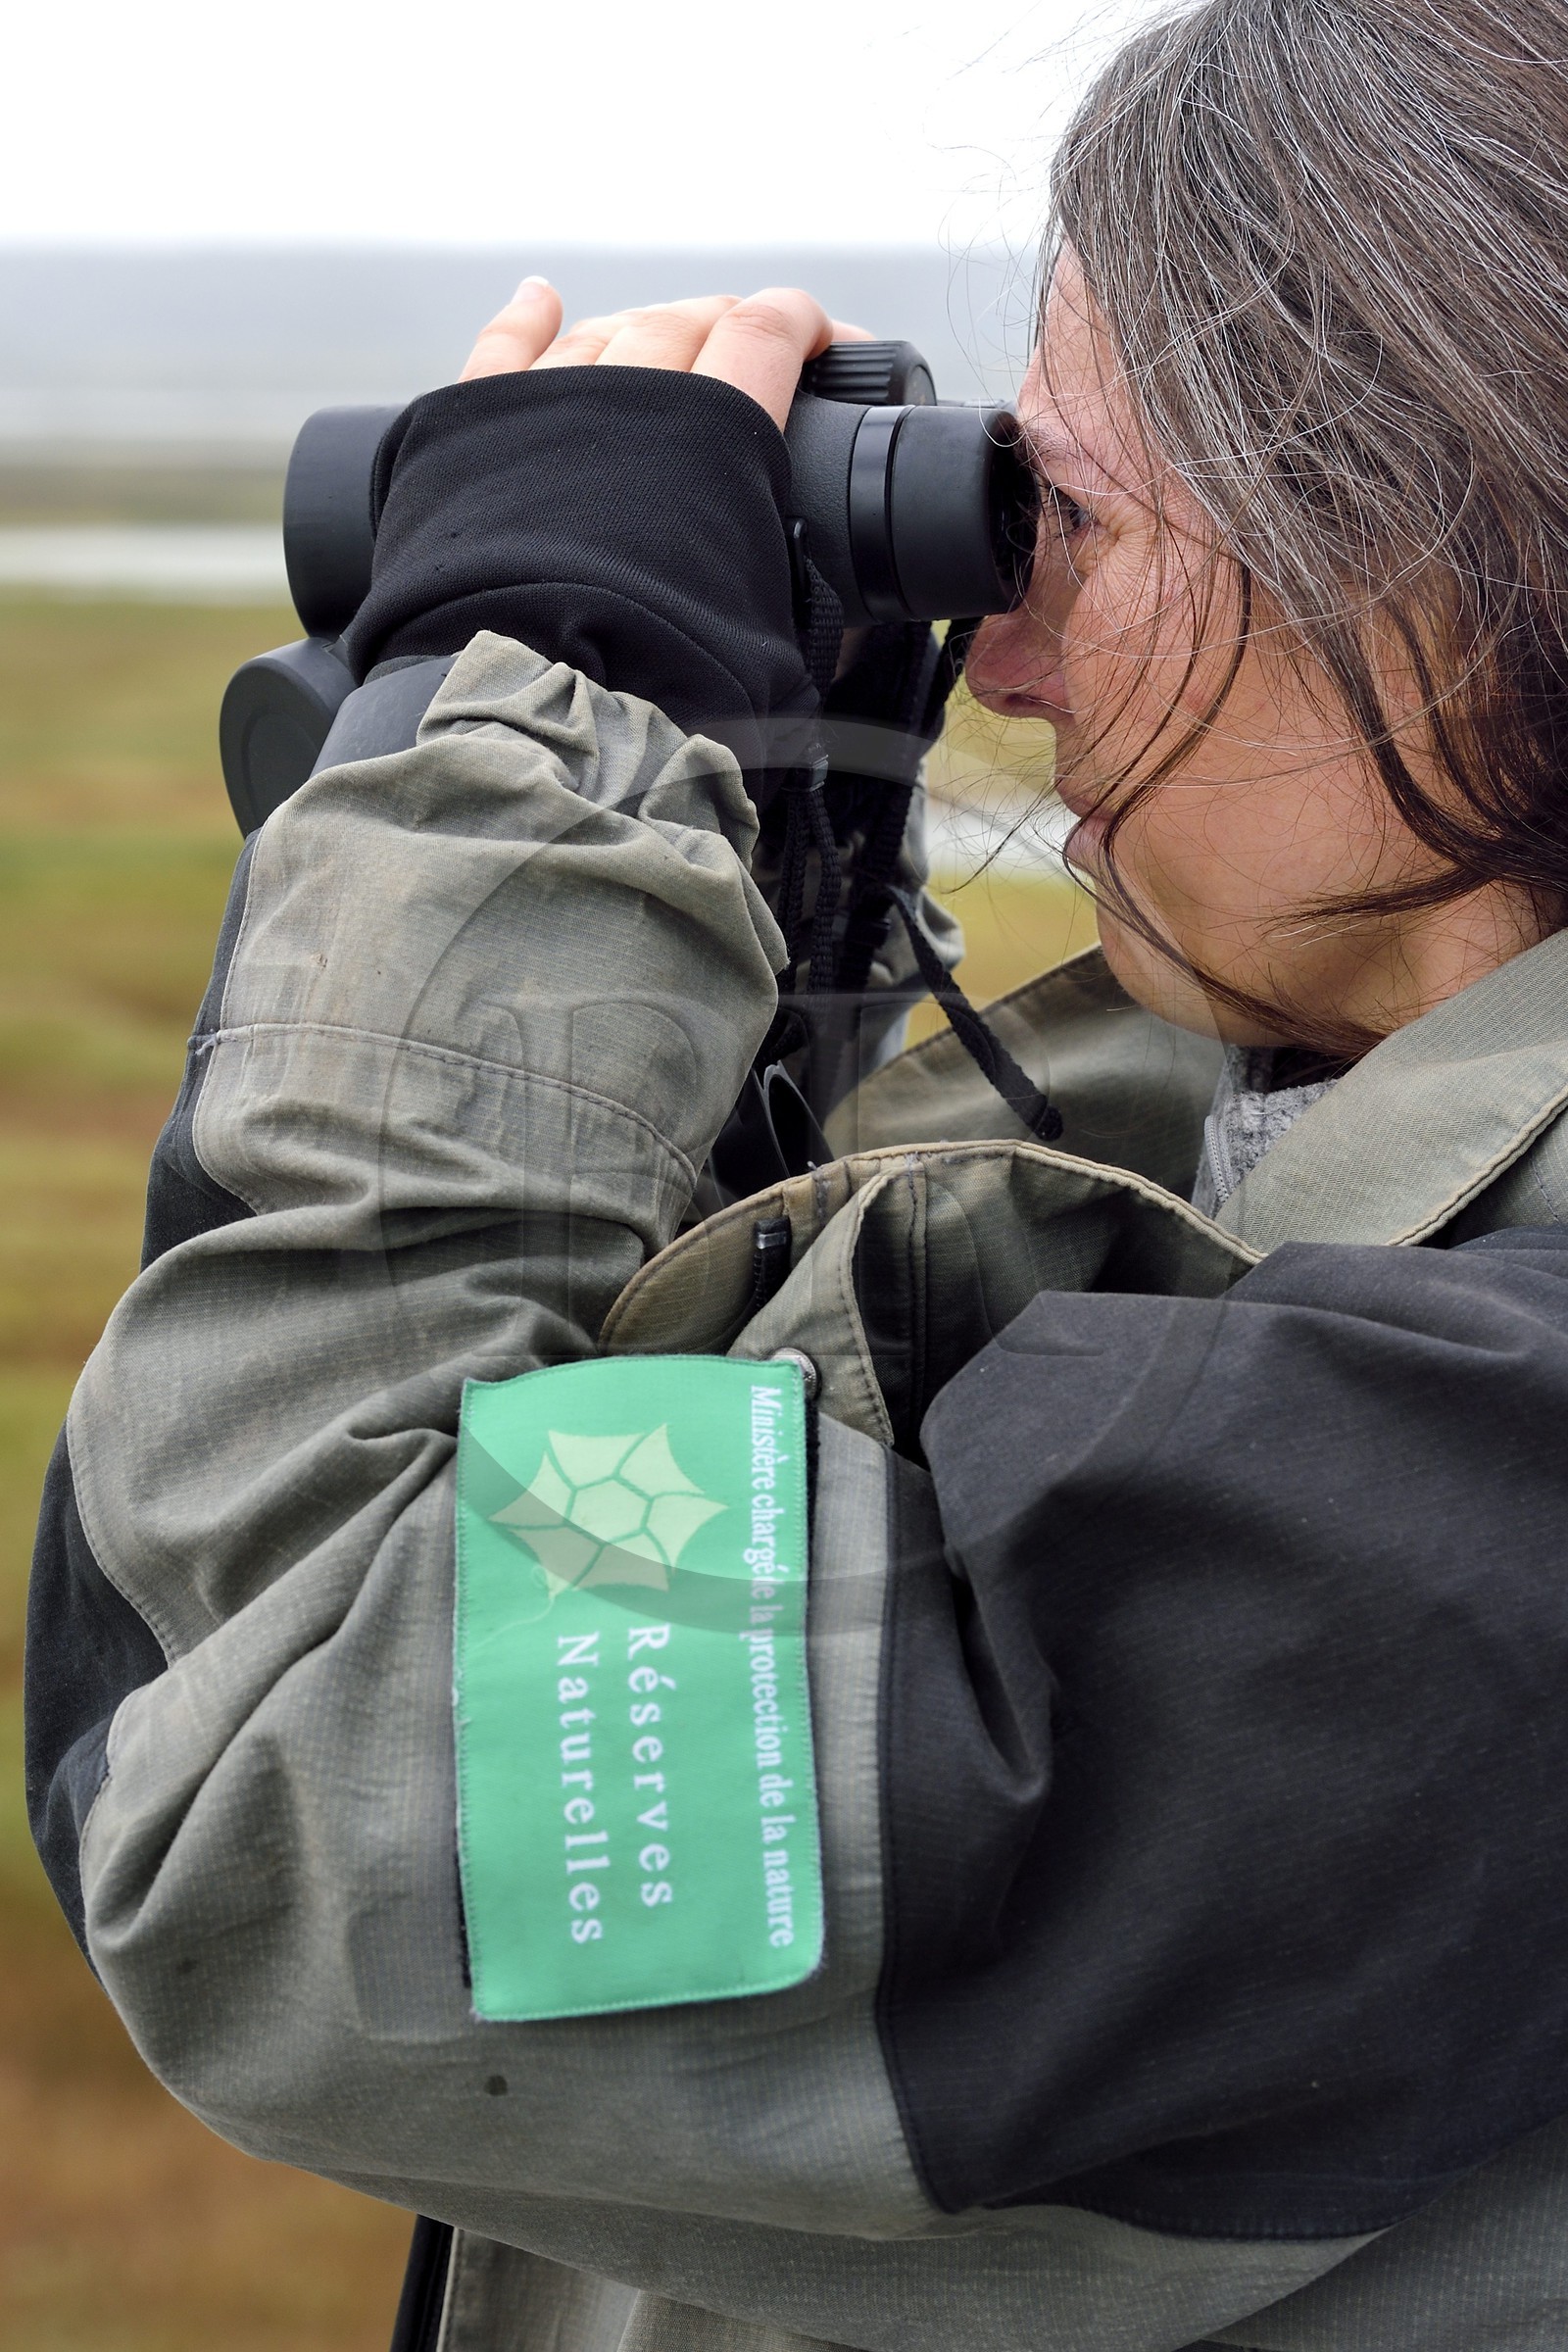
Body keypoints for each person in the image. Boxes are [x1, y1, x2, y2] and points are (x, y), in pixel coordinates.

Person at [24, 0, 1568, 2344]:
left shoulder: (1487, 1471)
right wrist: (764, 913)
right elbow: (674, 1543)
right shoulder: (1333, 1224)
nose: (1000, 655)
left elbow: (287, 1779)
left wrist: (522, 722)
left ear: (1444, 553)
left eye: (1066, 517)